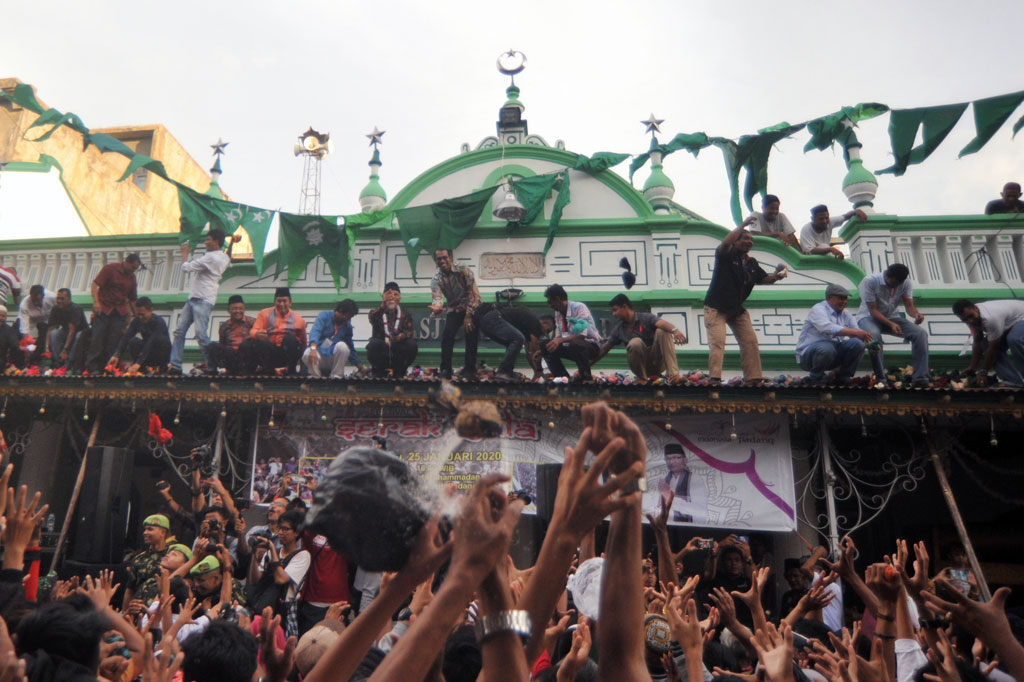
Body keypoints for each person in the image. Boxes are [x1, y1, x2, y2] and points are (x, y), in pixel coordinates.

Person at [704, 218, 787, 385]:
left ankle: (754, 378)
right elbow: (725, 242)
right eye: (745, 238)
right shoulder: (726, 254)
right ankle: (714, 378)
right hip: (716, 307)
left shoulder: (752, 263)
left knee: (750, 341)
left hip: (736, 309)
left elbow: (764, 279)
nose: (749, 242)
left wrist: (778, 275)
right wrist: (743, 224)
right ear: (736, 240)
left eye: (751, 240)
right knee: (718, 343)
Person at [856, 263, 930, 387]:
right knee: (874, 336)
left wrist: (916, 314)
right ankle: (881, 379)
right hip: (868, 318)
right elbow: (873, 310)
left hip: (893, 317)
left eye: (899, 284)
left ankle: (920, 377)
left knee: (920, 333)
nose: (895, 287)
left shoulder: (905, 283)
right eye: (894, 283)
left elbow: (909, 305)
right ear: (887, 276)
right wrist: (891, 324)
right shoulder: (870, 281)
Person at [169, 228, 230, 374]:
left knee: (198, 334)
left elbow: (186, 268)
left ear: (216, 242)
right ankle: (176, 365)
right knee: (181, 332)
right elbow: (229, 256)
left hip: (201, 299)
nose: (206, 242)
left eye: (208, 239)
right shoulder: (223, 257)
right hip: (198, 298)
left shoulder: (210, 258)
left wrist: (184, 254)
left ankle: (210, 365)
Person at [593, 294, 686, 380]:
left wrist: (675, 330)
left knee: (662, 331)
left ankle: (673, 375)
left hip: (657, 361)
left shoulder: (646, 318)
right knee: (635, 342)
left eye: (615, 310)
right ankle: (642, 379)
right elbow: (604, 349)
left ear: (624, 307)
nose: (613, 314)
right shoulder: (619, 329)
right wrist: (586, 366)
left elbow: (662, 323)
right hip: (640, 367)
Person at [795, 284, 872, 384]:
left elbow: (857, 332)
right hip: (807, 357)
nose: (844, 302)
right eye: (840, 298)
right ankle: (815, 378)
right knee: (827, 347)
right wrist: (856, 332)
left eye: (845, 299)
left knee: (858, 344)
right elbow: (827, 328)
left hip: (831, 354)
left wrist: (871, 345)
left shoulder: (845, 313)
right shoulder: (818, 309)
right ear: (829, 298)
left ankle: (843, 377)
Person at [429, 248, 481, 379]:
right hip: (455, 309)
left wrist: (469, 315)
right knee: (447, 335)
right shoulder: (436, 279)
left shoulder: (463, 270)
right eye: (439, 258)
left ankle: (470, 369)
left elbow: (474, 295)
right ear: (436, 260)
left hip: (472, 306)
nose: (442, 261)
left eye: (444, 257)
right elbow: (437, 298)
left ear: (450, 258)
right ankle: (446, 370)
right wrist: (437, 307)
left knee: (471, 333)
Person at [86, 253, 141, 373]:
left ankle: (108, 368)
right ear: (126, 262)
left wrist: (138, 316)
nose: (133, 271)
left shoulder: (132, 278)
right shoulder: (110, 269)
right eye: (132, 267)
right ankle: (92, 368)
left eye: (135, 269)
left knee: (113, 342)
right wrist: (96, 302)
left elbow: (132, 299)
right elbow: (95, 285)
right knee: (97, 339)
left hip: (119, 312)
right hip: (104, 309)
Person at [953, 298, 1024, 386]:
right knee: (985, 344)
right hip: (1011, 321)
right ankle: (1014, 381)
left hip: (1022, 316)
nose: (970, 321)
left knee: (1014, 339)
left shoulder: (991, 318)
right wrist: (972, 367)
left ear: (976, 308)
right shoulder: (969, 318)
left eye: (971, 316)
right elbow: (978, 341)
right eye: (965, 320)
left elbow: (993, 348)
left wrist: (983, 372)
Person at [543, 284, 603, 382]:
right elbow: (562, 335)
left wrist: (560, 340)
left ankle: (586, 379)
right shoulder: (558, 312)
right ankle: (564, 379)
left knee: (576, 343)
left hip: (590, 347)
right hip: (571, 346)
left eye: (550, 302)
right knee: (545, 346)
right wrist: (552, 343)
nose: (550, 305)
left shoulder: (579, 307)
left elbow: (582, 335)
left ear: (557, 299)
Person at [471, 303, 545, 381]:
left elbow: (529, 352)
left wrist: (536, 372)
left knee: (514, 342)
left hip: (486, 322)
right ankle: (503, 371)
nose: (544, 334)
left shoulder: (527, 327)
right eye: (547, 330)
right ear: (543, 322)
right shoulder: (536, 323)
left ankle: (507, 371)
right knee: (518, 339)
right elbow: (535, 350)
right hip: (493, 318)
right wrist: (539, 370)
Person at [243, 287, 307, 375]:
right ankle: (268, 371)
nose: (281, 304)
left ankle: (291, 371)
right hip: (269, 352)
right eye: (279, 301)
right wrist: (256, 334)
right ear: (274, 302)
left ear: (290, 303)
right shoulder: (264, 313)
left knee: (290, 339)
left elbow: (303, 343)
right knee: (261, 342)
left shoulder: (298, 319)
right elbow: (253, 330)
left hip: (286, 354)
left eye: (284, 301)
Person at [367, 281, 417, 378]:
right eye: (388, 294)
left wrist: (400, 336)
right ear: (383, 297)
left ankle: (400, 372)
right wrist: (383, 306)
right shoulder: (376, 312)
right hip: (382, 348)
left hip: (398, 350)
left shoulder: (406, 314)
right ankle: (379, 372)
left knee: (411, 345)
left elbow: (409, 332)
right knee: (373, 345)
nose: (392, 297)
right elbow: (373, 318)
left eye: (395, 294)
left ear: (399, 298)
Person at [108, 296, 171, 372]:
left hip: (160, 353)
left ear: (150, 310)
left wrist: (138, 363)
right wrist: (116, 355)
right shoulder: (137, 321)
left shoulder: (159, 322)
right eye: (138, 314)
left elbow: (151, 342)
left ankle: (162, 369)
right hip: (146, 354)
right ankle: (142, 369)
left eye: (143, 314)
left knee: (162, 341)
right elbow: (126, 337)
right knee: (133, 341)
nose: (140, 317)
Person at [649, 442, 707, 523]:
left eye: (676, 457)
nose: (672, 462)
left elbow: (700, 510)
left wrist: (670, 499)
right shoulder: (663, 479)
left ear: (685, 460)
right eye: (668, 459)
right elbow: (656, 506)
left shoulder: (694, 479)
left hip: (687, 528)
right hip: (665, 526)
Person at [122, 513, 170, 609]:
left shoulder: (171, 556)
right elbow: (129, 589)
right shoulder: (139, 558)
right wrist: (124, 613)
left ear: (163, 532)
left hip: (160, 610)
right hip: (137, 610)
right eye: (145, 529)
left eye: (150, 529)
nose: (145, 532)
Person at [303, 299, 360, 379]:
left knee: (343, 346)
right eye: (348, 316)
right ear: (341, 311)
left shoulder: (347, 327)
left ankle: (336, 376)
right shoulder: (324, 316)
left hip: (333, 360)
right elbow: (315, 332)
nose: (348, 319)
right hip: (318, 357)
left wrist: (359, 366)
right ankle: (315, 377)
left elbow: (350, 348)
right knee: (307, 353)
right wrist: (313, 349)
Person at [207, 294, 255, 375]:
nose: (238, 311)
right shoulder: (224, 326)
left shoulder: (252, 322)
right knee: (212, 345)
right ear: (228, 310)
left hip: (247, 359)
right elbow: (222, 344)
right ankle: (213, 372)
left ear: (244, 309)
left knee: (246, 345)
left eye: (240, 308)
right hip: (232, 358)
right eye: (234, 309)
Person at [799, 205, 867, 258]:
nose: (825, 221)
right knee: (824, 246)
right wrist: (830, 249)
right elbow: (810, 251)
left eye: (826, 218)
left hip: (826, 255)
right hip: (812, 259)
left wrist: (856, 211)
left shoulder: (830, 222)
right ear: (813, 219)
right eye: (821, 219)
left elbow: (845, 216)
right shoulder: (806, 229)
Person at [46, 288, 88, 370]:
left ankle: (69, 362)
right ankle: (57, 362)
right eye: (58, 298)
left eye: (62, 299)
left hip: (80, 332)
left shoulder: (76, 308)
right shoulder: (55, 309)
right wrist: (47, 347)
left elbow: (72, 331)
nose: (59, 301)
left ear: (69, 299)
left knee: (78, 336)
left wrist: (65, 350)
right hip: (66, 331)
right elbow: (50, 329)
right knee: (54, 333)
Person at [18, 284, 55, 363]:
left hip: (47, 320)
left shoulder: (52, 297)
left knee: (43, 337)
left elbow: (59, 309)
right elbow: (24, 327)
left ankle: (36, 359)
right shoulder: (24, 304)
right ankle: (20, 360)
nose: (35, 303)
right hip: (32, 319)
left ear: (43, 296)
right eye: (33, 300)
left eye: (38, 300)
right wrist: (26, 345)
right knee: (17, 332)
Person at [0, 305, 24, 370]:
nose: (1, 318)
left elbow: (14, 344)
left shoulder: (8, 330)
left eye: (3, 316)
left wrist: (20, 347)